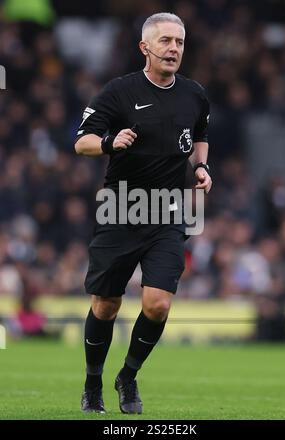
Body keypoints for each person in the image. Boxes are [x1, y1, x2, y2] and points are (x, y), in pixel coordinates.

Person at [74, 12, 212, 415]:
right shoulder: (118, 92)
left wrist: (202, 167)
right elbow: (80, 141)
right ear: (144, 47)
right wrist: (109, 141)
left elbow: (200, 134)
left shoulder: (195, 94)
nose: (174, 49)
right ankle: (93, 383)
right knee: (106, 304)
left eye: (180, 43)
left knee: (158, 304)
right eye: (166, 41)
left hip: (168, 212)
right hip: (120, 209)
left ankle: (128, 376)